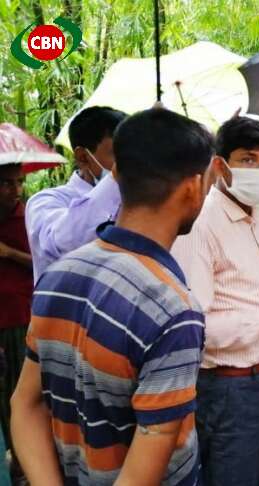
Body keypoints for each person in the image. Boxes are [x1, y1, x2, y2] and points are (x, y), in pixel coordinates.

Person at [11, 108, 213, 484]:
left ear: (116, 173)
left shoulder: (60, 274)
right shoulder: (173, 310)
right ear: (193, 187)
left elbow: (25, 404)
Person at [171, 117, 259, 486]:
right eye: (248, 160)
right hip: (228, 388)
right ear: (220, 166)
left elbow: (254, 297)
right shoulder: (200, 226)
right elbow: (196, 330)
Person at [25, 106, 127, 282]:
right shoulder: (45, 201)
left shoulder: (134, 202)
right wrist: (115, 179)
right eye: (119, 155)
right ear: (83, 157)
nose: (128, 163)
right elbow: (61, 243)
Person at [0, 164, 32, 473]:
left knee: (19, 395)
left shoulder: (27, 217)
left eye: (19, 182)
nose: (16, 190)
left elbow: (43, 261)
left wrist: (9, 253)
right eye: (7, 183)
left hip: (19, 317)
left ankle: (22, 463)